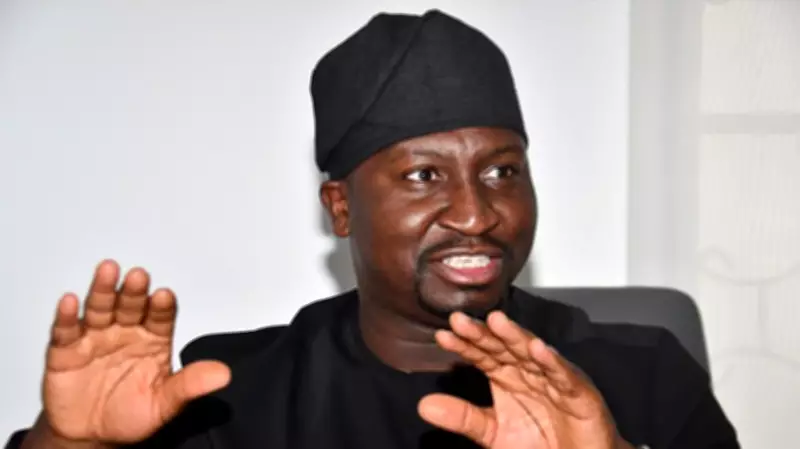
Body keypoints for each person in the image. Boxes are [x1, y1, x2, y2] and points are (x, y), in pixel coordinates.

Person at [7, 9, 739, 449]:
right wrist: (66, 444)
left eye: (501, 171)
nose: (476, 213)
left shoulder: (642, 373)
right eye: (423, 176)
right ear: (341, 207)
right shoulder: (232, 393)